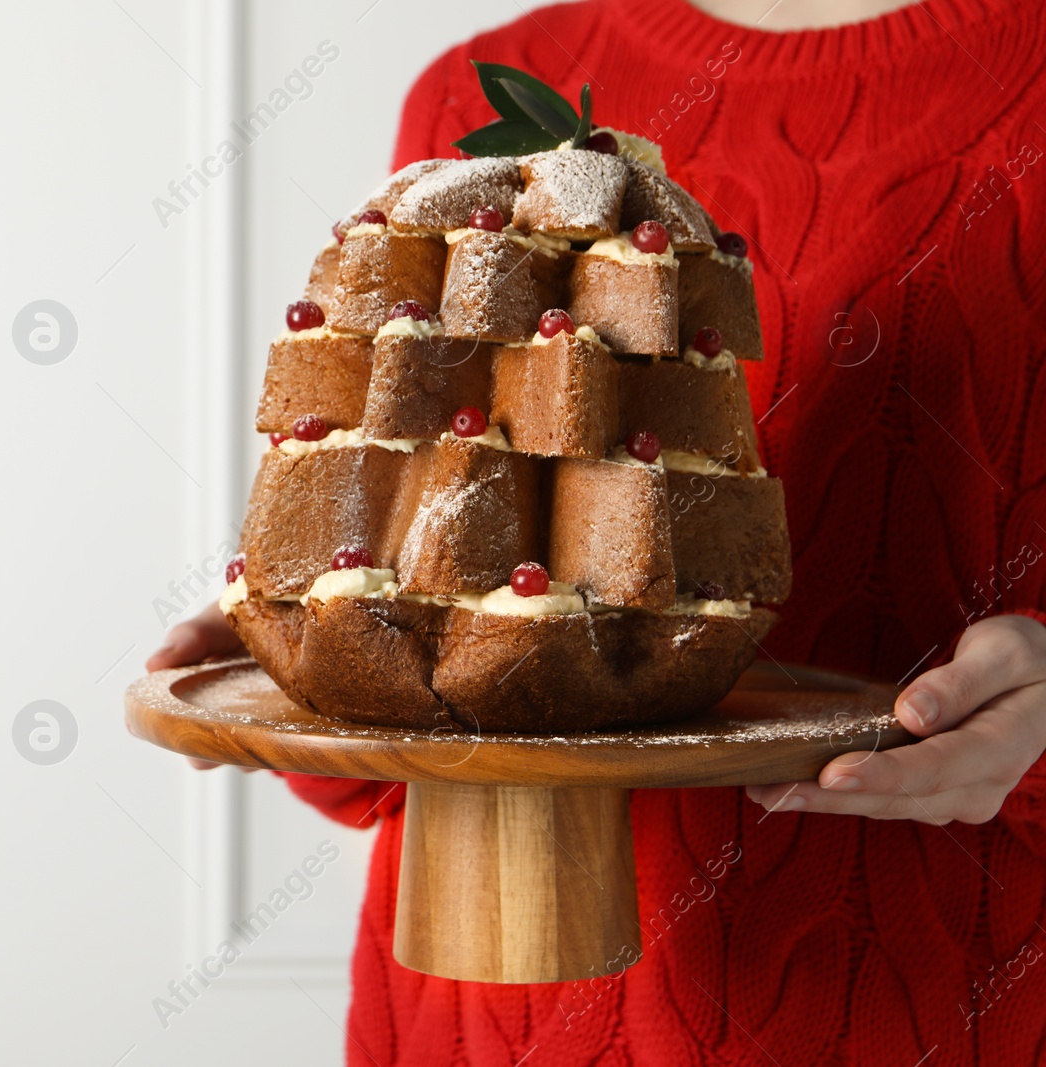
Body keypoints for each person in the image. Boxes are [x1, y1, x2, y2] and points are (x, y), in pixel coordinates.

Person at [149, 0, 1046, 1060]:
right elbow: (430, 637)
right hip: (494, 1017)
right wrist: (326, 642)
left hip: (927, 1004)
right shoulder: (484, 87)